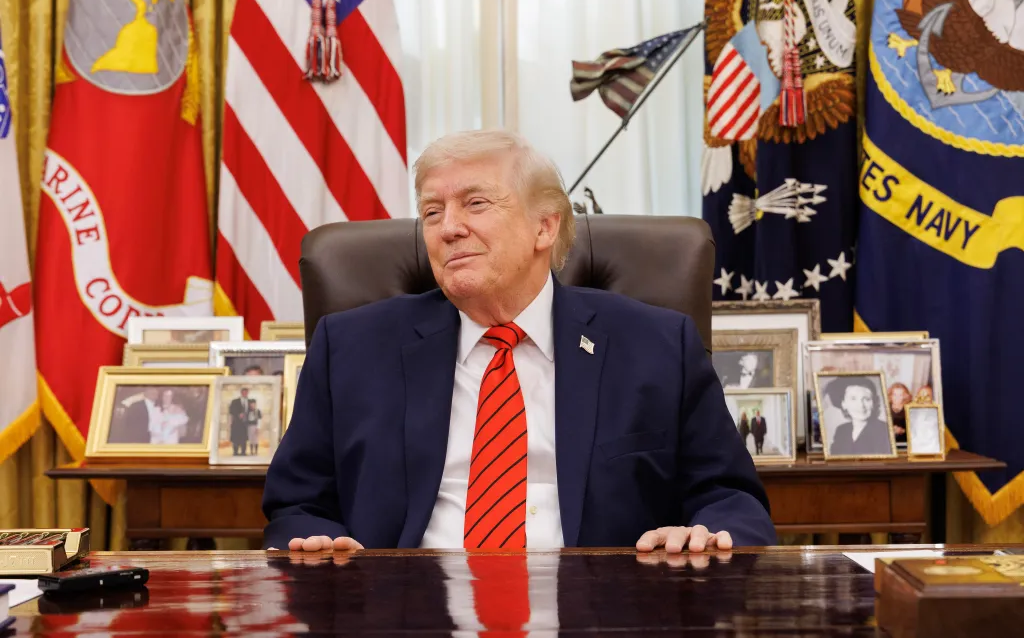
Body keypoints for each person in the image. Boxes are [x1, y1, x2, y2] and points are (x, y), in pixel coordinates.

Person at [262, 129, 775, 553]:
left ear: (545, 227)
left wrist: (706, 535)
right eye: (433, 212)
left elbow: (731, 499)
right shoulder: (351, 348)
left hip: (603, 614)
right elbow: (296, 504)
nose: (448, 228)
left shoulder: (656, 344)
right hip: (406, 612)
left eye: (475, 203)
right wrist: (317, 541)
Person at [825, 376, 894, 456]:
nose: (861, 405)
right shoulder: (841, 431)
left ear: (874, 402)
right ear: (843, 403)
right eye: (853, 399)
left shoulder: (884, 430)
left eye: (867, 399)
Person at [229, 388, 251, 456]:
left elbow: (251, 411)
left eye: (246, 392)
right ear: (241, 393)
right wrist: (238, 414)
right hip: (236, 423)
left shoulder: (249, 401)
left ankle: (243, 452)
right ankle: (235, 452)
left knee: (244, 438)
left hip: (245, 423)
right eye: (244, 392)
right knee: (236, 438)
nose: (245, 394)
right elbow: (231, 410)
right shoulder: (235, 401)